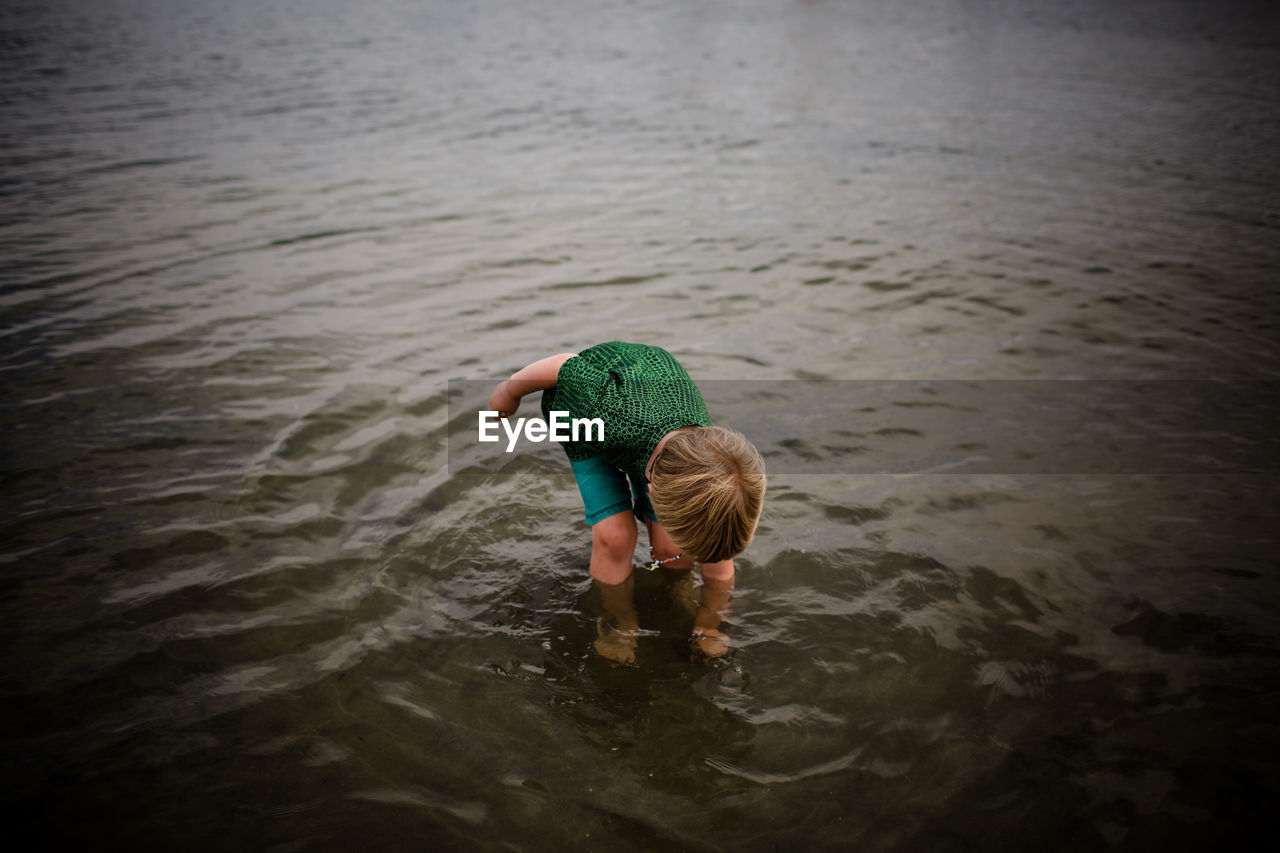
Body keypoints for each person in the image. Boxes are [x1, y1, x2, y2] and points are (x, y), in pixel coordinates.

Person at [487, 342, 765, 663]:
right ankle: (619, 623)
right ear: (652, 488)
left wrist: (709, 626)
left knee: (669, 550)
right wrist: (510, 392)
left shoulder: (709, 462)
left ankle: (676, 586)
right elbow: (563, 365)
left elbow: (718, 558)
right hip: (586, 423)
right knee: (615, 536)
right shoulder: (608, 407)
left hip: (659, 432)